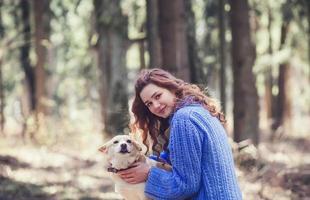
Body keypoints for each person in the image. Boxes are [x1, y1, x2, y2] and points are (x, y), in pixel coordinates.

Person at [118, 68, 242, 200]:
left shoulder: (184, 119)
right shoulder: (197, 111)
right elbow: (179, 161)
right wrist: (141, 161)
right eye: (149, 104)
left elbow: (184, 186)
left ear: (171, 88)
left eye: (158, 96)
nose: (155, 105)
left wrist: (148, 174)